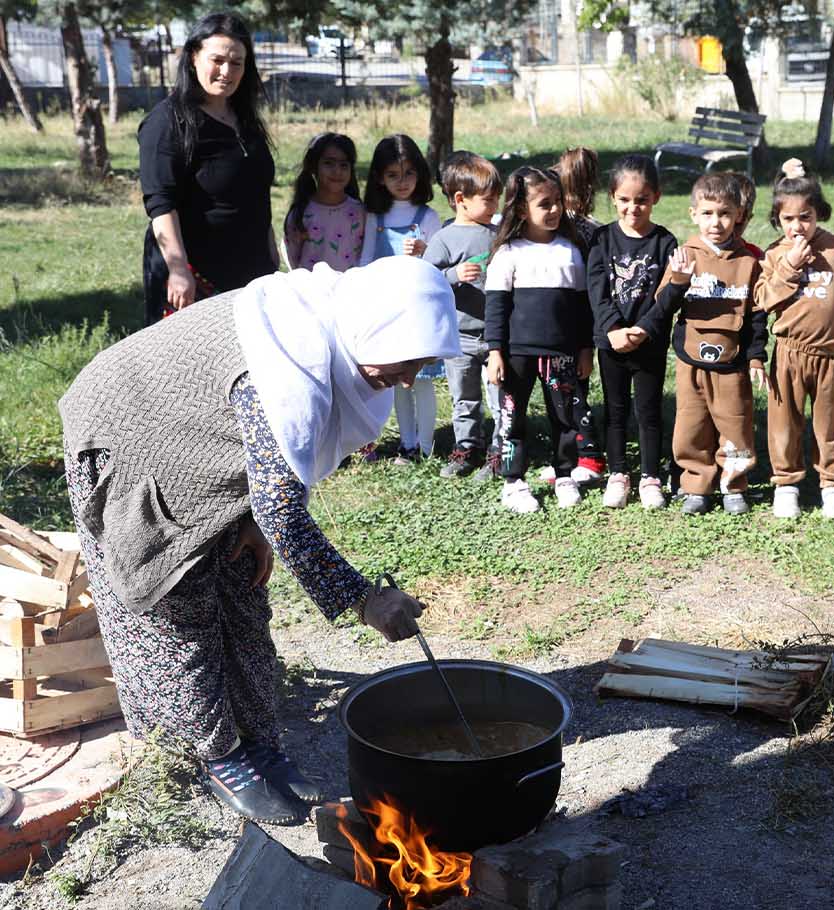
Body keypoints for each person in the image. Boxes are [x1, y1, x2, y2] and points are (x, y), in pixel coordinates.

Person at [59, 257, 460, 824]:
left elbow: (277, 477)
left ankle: (257, 738)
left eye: (421, 364)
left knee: (244, 592)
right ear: (374, 327)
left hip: (199, 435)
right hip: (127, 436)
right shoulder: (283, 361)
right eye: (406, 360)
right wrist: (363, 598)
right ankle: (218, 755)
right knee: (180, 615)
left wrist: (250, 520)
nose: (408, 379)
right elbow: (281, 505)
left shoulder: (330, 334)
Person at [638, 173, 767, 516]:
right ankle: (696, 483)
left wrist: (755, 358)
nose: (716, 222)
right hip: (691, 359)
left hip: (733, 360)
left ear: (739, 214)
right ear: (693, 213)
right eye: (708, 213)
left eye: (724, 213)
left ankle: (733, 484)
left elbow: (756, 316)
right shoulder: (685, 255)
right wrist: (679, 281)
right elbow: (662, 306)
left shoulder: (748, 261)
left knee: (735, 424)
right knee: (691, 425)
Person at [138, 13, 277, 327]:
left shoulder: (244, 118)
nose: (227, 72)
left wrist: (269, 248)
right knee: (190, 367)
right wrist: (178, 269)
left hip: (250, 270)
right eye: (217, 60)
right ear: (193, 56)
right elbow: (161, 205)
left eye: (237, 63)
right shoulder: (167, 122)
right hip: (195, 276)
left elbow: (255, 188)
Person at [484, 167, 595, 513]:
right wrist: (495, 352)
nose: (555, 210)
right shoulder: (508, 254)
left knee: (565, 419)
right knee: (512, 418)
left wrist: (585, 348)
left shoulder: (571, 252)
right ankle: (514, 481)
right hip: (517, 354)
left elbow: (582, 308)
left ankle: (564, 474)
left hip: (561, 355)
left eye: (558, 202)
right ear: (520, 210)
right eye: (544, 204)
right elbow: (496, 308)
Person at [753, 159, 834, 520]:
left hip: (831, 353)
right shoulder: (775, 254)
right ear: (778, 219)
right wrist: (790, 265)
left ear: (818, 214)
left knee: (832, 423)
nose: (798, 226)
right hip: (789, 354)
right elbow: (763, 300)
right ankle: (787, 484)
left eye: (805, 217)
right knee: (785, 424)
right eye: (789, 219)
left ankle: (833, 484)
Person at [586, 154, 677, 510]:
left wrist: (644, 328)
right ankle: (619, 474)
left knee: (649, 411)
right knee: (615, 409)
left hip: (649, 343)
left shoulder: (666, 242)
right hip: (611, 343)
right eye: (625, 200)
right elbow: (597, 289)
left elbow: (671, 293)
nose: (633, 207)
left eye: (641, 199)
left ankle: (651, 476)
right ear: (613, 197)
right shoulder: (602, 239)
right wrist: (614, 328)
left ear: (656, 196)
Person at [359, 134, 443, 465]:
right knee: (396, 382)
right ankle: (406, 444)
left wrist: (422, 254)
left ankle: (426, 444)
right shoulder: (373, 217)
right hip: (387, 310)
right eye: (393, 175)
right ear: (380, 177)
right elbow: (366, 262)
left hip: (417, 311)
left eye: (409, 173)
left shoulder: (428, 218)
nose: (402, 182)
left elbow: (437, 269)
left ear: (420, 174)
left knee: (421, 380)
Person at [423, 151, 504, 480]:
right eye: (488, 200)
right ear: (460, 199)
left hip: (497, 336)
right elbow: (424, 281)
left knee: (501, 397)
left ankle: (502, 450)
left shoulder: (498, 235)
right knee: (464, 398)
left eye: (497, 198)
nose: (495, 206)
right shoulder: (444, 239)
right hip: (461, 337)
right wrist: (453, 276)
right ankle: (467, 448)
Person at [541, 146, 607, 486]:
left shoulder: (568, 230)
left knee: (570, 395)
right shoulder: (591, 229)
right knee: (565, 392)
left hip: (572, 327)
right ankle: (567, 458)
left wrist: (585, 344)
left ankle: (590, 457)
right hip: (571, 326)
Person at [282, 132, 369, 272]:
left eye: (344, 165)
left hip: (350, 290)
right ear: (313, 166)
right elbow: (293, 258)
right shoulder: (300, 214)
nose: (337, 171)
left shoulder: (361, 212)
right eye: (329, 163)